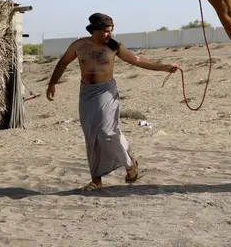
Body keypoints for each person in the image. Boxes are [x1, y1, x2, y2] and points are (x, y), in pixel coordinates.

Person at [46, 12, 179, 191]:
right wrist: (52, 84)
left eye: (111, 30)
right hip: (86, 94)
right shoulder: (79, 45)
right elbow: (63, 62)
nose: (109, 34)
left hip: (106, 92)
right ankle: (96, 180)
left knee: (108, 132)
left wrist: (165, 67)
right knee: (91, 136)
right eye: (106, 31)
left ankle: (130, 163)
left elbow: (137, 60)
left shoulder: (114, 46)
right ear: (95, 30)